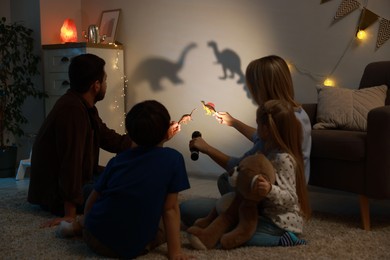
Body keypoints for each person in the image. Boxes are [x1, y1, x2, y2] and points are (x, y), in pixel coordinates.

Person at [180, 55, 312, 246]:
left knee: (188, 209)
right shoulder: (295, 115)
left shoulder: (279, 151)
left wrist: (206, 148)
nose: (249, 89)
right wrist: (233, 123)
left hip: (273, 199)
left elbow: (240, 167)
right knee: (225, 182)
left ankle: (259, 228)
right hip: (291, 190)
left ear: (261, 87)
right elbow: (260, 137)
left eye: (251, 85)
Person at [56, 100, 192, 259]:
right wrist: (175, 253)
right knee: (165, 223)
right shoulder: (173, 159)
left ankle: (76, 226)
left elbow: (92, 200)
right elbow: (170, 209)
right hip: (131, 248)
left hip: (95, 238)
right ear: (166, 132)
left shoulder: (117, 161)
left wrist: (87, 221)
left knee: (94, 195)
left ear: (130, 132)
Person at [28, 54, 132, 227]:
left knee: (126, 178)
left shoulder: (84, 106)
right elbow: (71, 162)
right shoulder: (72, 111)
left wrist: (156, 135)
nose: (106, 85)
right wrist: (70, 214)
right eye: (105, 80)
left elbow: (112, 141)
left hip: (84, 177)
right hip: (57, 193)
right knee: (123, 194)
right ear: (96, 85)